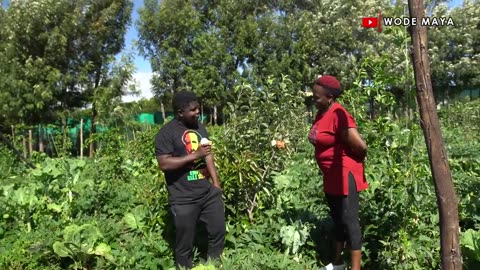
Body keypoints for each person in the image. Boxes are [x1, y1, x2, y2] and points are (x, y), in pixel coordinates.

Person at [155, 91, 225, 269]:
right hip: (183, 198)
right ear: (180, 112)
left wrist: (216, 184)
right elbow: (164, 163)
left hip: (207, 193)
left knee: (218, 232)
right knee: (184, 244)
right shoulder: (166, 133)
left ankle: (212, 265)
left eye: (198, 108)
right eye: (193, 110)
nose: (197, 112)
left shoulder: (200, 127)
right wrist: (194, 155)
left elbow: (208, 155)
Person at [307, 75, 368, 270]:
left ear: (330, 97)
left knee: (350, 221)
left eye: (317, 97)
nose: (314, 100)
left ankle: (356, 268)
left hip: (344, 174)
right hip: (331, 175)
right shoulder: (322, 113)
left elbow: (361, 146)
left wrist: (348, 158)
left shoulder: (339, 114)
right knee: (338, 220)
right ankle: (338, 263)